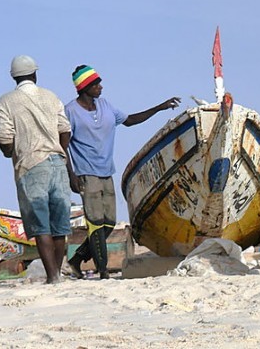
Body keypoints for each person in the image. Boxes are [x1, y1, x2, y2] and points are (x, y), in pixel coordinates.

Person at [64, 64, 181, 280]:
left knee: (109, 222)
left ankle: (77, 258)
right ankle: (103, 271)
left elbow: (130, 120)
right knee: (95, 222)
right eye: (96, 84)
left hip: (107, 171)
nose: (101, 87)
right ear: (85, 87)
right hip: (86, 174)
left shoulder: (105, 105)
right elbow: (63, 145)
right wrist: (71, 175)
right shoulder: (70, 111)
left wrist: (160, 107)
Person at [0, 55, 72, 284]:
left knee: (41, 226)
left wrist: (10, 152)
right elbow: (65, 130)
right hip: (58, 163)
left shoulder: (5, 102)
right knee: (59, 227)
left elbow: (5, 140)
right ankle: (57, 274)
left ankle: (52, 277)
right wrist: (59, 151)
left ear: (13, 77)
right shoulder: (51, 96)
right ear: (35, 74)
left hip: (31, 166)